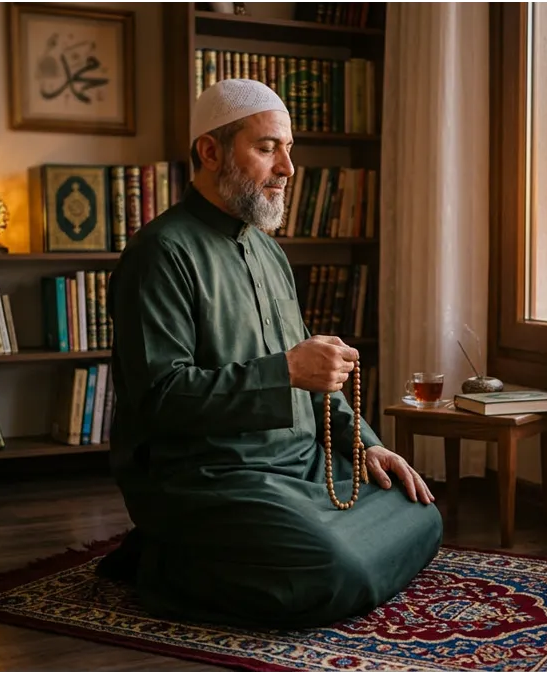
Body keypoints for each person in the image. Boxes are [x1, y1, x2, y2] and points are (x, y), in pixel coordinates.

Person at [96, 78, 444, 630]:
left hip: (300, 467)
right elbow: (161, 398)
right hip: (211, 477)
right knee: (339, 570)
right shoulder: (159, 254)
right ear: (210, 152)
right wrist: (283, 371)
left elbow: (315, 379)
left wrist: (366, 445)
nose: (287, 167)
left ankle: (256, 554)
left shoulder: (267, 251)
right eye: (266, 148)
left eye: (288, 150)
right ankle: (167, 563)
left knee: (422, 513)